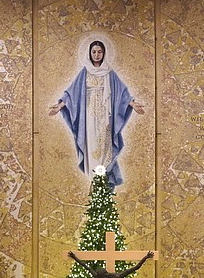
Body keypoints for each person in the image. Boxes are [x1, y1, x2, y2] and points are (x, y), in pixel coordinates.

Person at [49, 38, 144, 189]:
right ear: (89, 53)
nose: (97, 54)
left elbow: (122, 93)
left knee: (105, 144)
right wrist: (60, 106)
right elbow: (72, 93)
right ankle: (95, 180)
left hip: (106, 117)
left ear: (104, 53)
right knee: (91, 144)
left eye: (100, 52)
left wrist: (133, 104)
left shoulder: (109, 72)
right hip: (88, 117)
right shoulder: (84, 72)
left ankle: (104, 177)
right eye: (94, 52)